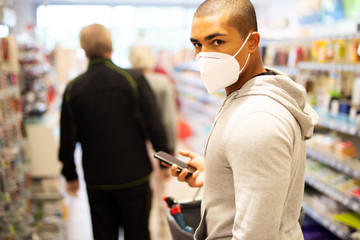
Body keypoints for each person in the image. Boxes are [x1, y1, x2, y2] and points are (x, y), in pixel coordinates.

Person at [169, 0, 319, 239]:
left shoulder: (257, 120)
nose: (204, 55)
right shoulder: (244, 95)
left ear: (252, 42)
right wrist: (216, 174)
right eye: (197, 44)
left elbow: (255, 234)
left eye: (217, 42)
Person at [58, 23, 172, 240]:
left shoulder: (74, 88)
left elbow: (68, 136)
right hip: (135, 176)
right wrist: (164, 160)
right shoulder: (133, 80)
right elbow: (154, 124)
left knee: (103, 234)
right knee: (138, 233)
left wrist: (70, 173)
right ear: (110, 46)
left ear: (83, 48)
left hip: (97, 179)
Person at [129, 44, 178, 239]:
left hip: (137, 148)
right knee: (161, 190)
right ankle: (162, 228)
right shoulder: (161, 82)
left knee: (141, 193)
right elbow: (168, 118)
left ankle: (144, 226)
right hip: (159, 146)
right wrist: (169, 152)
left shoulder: (128, 82)